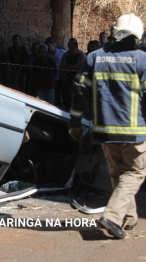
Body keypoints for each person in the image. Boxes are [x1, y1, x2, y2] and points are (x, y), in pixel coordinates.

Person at [69, 13, 146, 239]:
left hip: (103, 131)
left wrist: (75, 124)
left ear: (114, 32)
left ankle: (128, 218)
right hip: (134, 133)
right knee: (135, 172)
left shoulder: (94, 57)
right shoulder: (142, 60)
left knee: (118, 173)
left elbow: (79, 91)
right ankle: (112, 216)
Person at [59, 38, 86, 110]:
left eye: (72, 48)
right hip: (67, 81)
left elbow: (76, 66)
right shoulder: (66, 55)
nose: (71, 49)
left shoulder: (81, 55)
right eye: (69, 48)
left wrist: (67, 68)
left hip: (78, 80)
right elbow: (61, 68)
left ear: (76, 47)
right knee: (67, 100)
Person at [45, 37, 66, 107]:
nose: (48, 48)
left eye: (49, 46)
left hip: (62, 77)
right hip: (54, 78)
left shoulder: (62, 52)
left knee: (65, 93)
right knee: (56, 95)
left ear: (54, 45)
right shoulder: (47, 56)